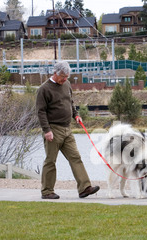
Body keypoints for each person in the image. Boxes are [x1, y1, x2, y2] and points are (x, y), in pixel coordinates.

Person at [36, 61, 100, 199]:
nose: (65, 79)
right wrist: (47, 130)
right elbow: (41, 112)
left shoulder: (67, 84)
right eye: (63, 76)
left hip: (67, 129)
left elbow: (70, 102)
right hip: (53, 129)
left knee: (75, 157)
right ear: (55, 73)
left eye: (67, 76)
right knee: (50, 160)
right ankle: (47, 191)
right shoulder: (44, 89)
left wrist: (75, 114)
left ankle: (84, 188)